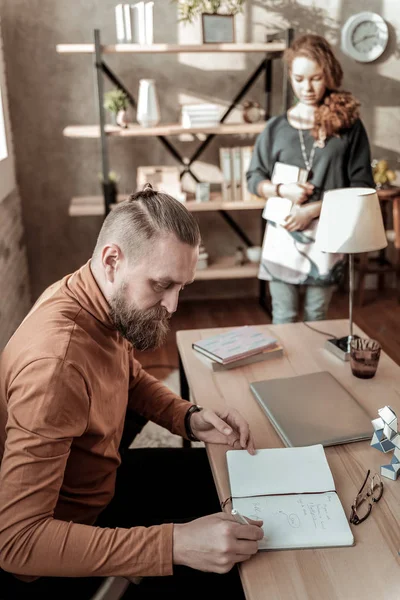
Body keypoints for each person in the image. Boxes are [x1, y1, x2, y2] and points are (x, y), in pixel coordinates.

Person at [0, 186, 263, 600]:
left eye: (182, 287)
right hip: (67, 544)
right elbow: (18, 544)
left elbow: (128, 375)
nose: (173, 305)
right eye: (162, 285)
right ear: (112, 261)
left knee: (228, 488)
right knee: (243, 572)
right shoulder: (55, 369)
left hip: (103, 484)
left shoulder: (94, 296)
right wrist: (176, 544)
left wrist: (188, 416)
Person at [247, 34, 375, 324]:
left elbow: (363, 186)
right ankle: (288, 372)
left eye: (316, 78)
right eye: (299, 78)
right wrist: (282, 189)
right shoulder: (276, 128)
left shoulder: (348, 125)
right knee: (284, 316)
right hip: (282, 236)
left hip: (327, 235)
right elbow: (253, 179)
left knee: (317, 316)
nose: (307, 87)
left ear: (328, 75)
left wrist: (311, 210)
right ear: (290, 76)